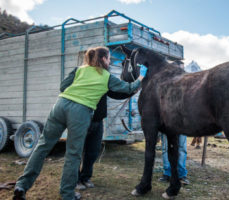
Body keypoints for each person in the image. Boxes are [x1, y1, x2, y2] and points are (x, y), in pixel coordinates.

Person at [13, 46, 148, 200]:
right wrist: (141, 77)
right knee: (73, 154)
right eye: (109, 58)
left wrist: (81, 87)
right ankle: (67, 194)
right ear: (104, 59)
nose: (110, 61)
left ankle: (22, 185)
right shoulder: (106, 76)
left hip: (60, 106)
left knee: (42, 147)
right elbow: (128, 88)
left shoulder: (79, 70)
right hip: (80, 111)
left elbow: (63, 87)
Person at [59, 67, 133, 191]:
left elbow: (116, 93)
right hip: (80, 119)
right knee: (76, 152)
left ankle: (85, 177)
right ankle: (75, 180)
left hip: (97, 121)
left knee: (93, 152)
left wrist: (133, 89)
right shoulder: (81, 74)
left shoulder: (104, 77)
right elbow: (64, 87)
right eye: (107, 58)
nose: (109, 61)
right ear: (101, 58)